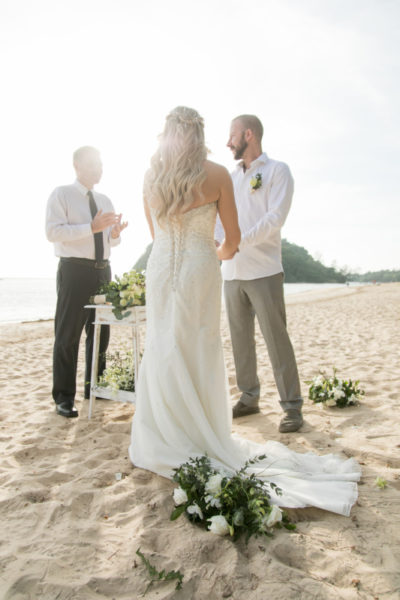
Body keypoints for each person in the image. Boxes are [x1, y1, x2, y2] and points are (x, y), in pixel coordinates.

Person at [129, 107, 360, 517]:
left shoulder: (151, 176)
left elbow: (156, 235)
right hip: (204, 267)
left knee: (164, 343)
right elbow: (231, 240)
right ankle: (212, 422)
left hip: (162, 268)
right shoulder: (219, 174)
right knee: (199, 344)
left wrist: (184, 248)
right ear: (198, 134)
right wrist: (209, 250)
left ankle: (168, 432)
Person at [215, 114, 303, 433]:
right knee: (240, 341)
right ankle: (249, 397)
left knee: (276, 339)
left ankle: (292, 406)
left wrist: (236, 242)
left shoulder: (277, 171)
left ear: (249, 135)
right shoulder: (229, 177)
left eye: (232, 135)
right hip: (232, 272)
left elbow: (274, 219)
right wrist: (219, 244)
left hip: (265, 270)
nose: (228, 142)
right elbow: (219, 219)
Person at [46, 146, 128, 418]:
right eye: (93, 164)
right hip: (74, 271)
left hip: (103, 271)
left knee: (101, 333)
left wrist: (114, 233)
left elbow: (110, 242)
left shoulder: (105, 199)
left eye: (101, 165)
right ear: (77, 165)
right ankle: (64, 398)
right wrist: (90, 228)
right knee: (67, 336)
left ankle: (95, 387)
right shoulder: (62, 194)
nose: (99, 170)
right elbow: (53, 232)